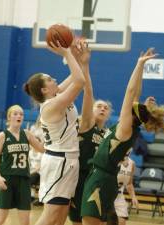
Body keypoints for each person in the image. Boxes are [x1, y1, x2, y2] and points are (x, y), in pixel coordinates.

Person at [81, 48, 164, 225]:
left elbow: (130, 93)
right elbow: (135, 94)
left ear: (133, 114)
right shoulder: (132, 128)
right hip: (105, 178)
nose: (133, 103)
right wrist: (142, 68)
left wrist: (138, 65)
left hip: (100, 179)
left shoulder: (125, 127)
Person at [23, 40, 85, 225]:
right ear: (44, 89)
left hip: (69, 159)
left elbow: (76, 76)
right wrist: (66, 55)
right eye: (50, 80)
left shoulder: (57, 95)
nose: (55, 80)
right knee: (51, 215)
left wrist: (78, 58)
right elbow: (80, 81)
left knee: (61, 215)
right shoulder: (50, 106)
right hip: (59, 161)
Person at [69, 38, 112, 225]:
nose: (102, 109)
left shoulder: (109, 134)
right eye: (98, 106)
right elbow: (88, 93)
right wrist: (84, 65)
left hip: (98, 181)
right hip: (79, 178)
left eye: (105, 108)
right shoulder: (86, 124)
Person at [0, 105, 44, 225]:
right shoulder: (3, 136)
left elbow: (42, 149)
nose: (19, 116)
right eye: (16, 114)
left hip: (23, 180)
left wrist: (49, 135)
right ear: (9, 117)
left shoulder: (27, 134)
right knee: (0, 219)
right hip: (7, 179)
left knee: (25, 222)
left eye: (21, 114)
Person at [113, 156, 139, 225]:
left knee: (122, 222)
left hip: (119, 196)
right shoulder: (113, 159)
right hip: (107, 195)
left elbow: (129, 183)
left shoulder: (132, 163)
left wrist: (133, 197)